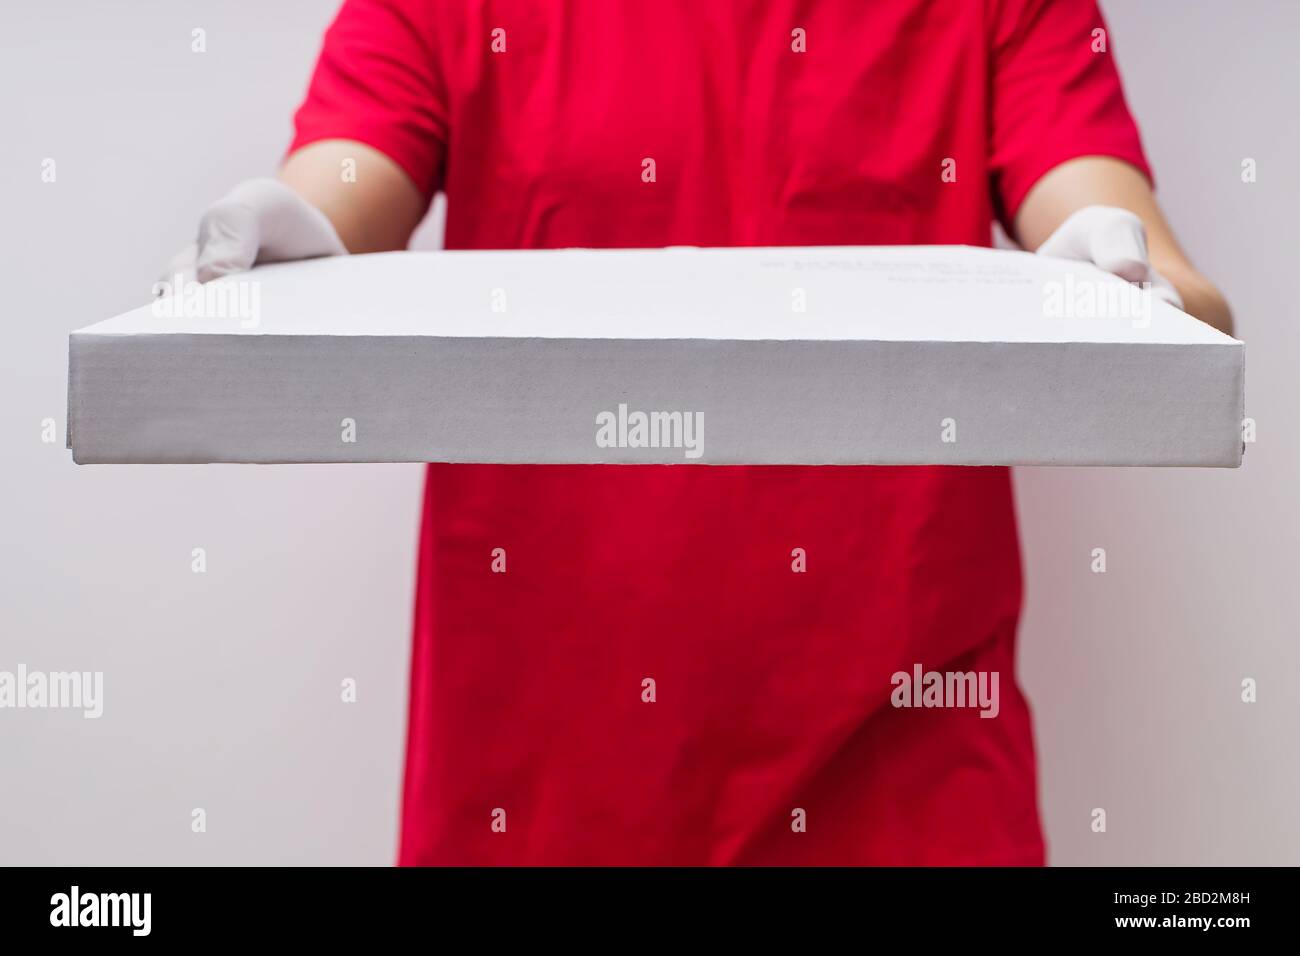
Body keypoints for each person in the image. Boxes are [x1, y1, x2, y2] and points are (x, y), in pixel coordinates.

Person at [166, 0, 1231, 865]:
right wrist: (296, 234)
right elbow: (348, 176)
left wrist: (1137, 282)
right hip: (538, 787)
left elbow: (1101, 203)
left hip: (907, 776)